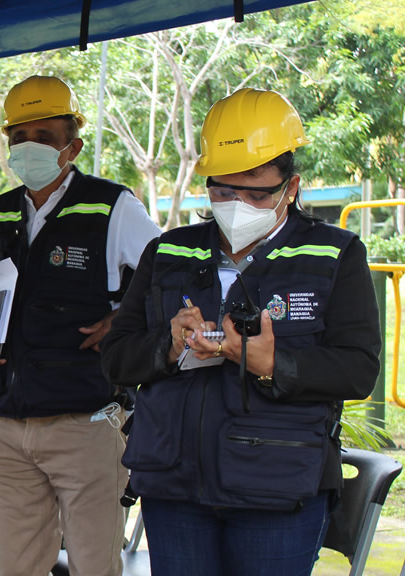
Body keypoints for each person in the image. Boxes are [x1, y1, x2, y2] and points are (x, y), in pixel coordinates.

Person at [100, 88, 381, 575]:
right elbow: (116, 357)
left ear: (290, 187)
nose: (237, 204)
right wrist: (168, 346)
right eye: (223, 191)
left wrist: (273, 364)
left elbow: (358, 369)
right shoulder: (169, 253)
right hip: (174, 484)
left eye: (256, 191)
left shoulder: (335, 254)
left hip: (277, 489)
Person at [0, 76, 161, 576]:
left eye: (44, 136)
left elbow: (170, 279)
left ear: (74, 144)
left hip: (86, 421)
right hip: (5, 422)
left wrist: (120, 319)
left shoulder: (113, 207)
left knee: (95, 565)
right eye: (18, 137)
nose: (29, 148)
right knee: (15, 567)